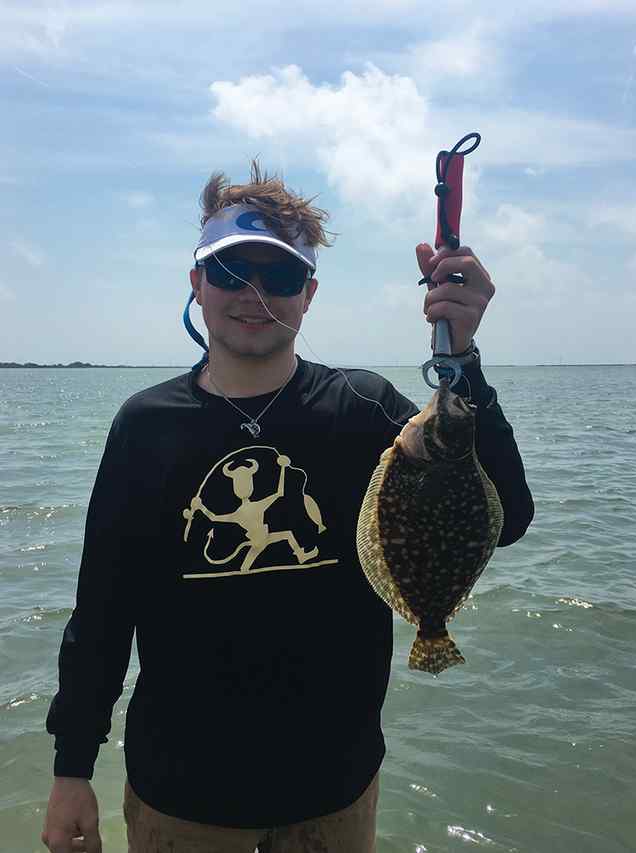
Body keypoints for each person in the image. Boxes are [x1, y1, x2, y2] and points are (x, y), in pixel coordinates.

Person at [42, 161, 534, 853]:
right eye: (230, 272)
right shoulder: (145, 425)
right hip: (179, 800)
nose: (253, 294)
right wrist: (72, 769)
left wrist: (465, 356)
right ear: (196, 284)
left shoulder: (367, 412)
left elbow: (505, 517)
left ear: (308, 293)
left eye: (277, 277)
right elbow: (101, 611)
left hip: (334, 796)